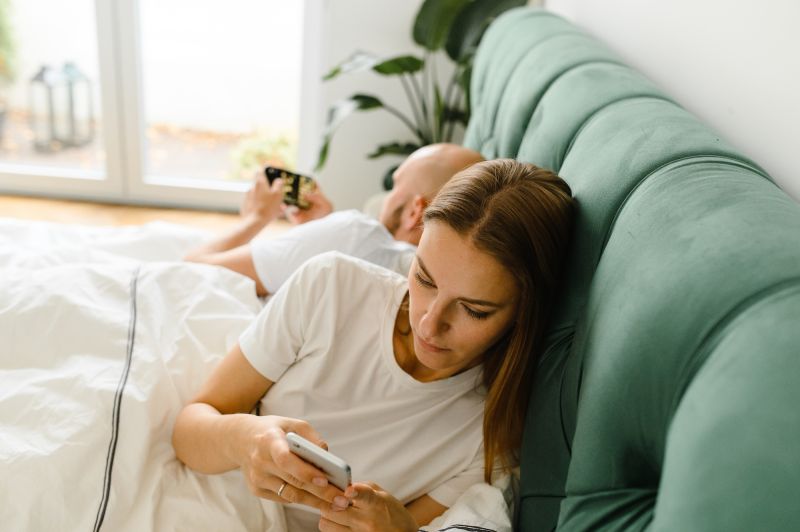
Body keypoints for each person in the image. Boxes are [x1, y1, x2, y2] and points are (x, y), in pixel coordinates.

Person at [172, 159, 575, 531]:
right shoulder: (331, 285)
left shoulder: (491, 436)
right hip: (200, 490)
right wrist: (244, 439)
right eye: (425, 279)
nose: (430, 324)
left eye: (474, 310)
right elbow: (189, 432)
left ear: (525, 312)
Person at [184, 143, 484, 297]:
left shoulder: (357, 232)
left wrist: (256, 218)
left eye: (395, 187)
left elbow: (192, 271)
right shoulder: (436, 286)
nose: (386, 198)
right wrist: (318, 230)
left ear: (414, 211)